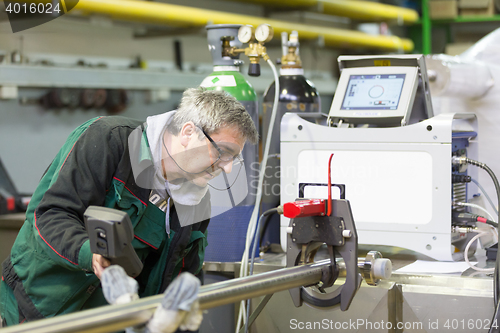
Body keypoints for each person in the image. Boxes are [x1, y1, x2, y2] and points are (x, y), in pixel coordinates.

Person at [0, 87, 259, 328]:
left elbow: (180, 276)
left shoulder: (196, 199)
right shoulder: (108, 141)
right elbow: (50, 215)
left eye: (233, 159)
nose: (226, 167)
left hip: (105, 324)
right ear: (189, 132)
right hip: (32, 310)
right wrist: (92, 254)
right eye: (223, 152)